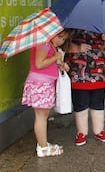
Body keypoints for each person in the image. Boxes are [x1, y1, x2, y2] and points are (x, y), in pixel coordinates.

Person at [65, 29, 105, 146]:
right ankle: (81, 132)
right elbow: (63, 43)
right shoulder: (71, 23)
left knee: (98, 103)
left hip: (100, 72)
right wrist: (77, 48)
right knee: (80, 104)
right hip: (78, 72)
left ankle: (99, 131)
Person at [22, 29, 69, 157]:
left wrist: (60, 64)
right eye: (59, 37)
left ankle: (43, 144)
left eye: (64, 39)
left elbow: (48, 63)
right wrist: (55, 57)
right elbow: (39, 63)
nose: (61, 41)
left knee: (44, 115)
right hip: (40, 84)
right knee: (41, 116)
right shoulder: (43, 43)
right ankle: (43, 148)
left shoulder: (50, 45)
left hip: (45, 83)